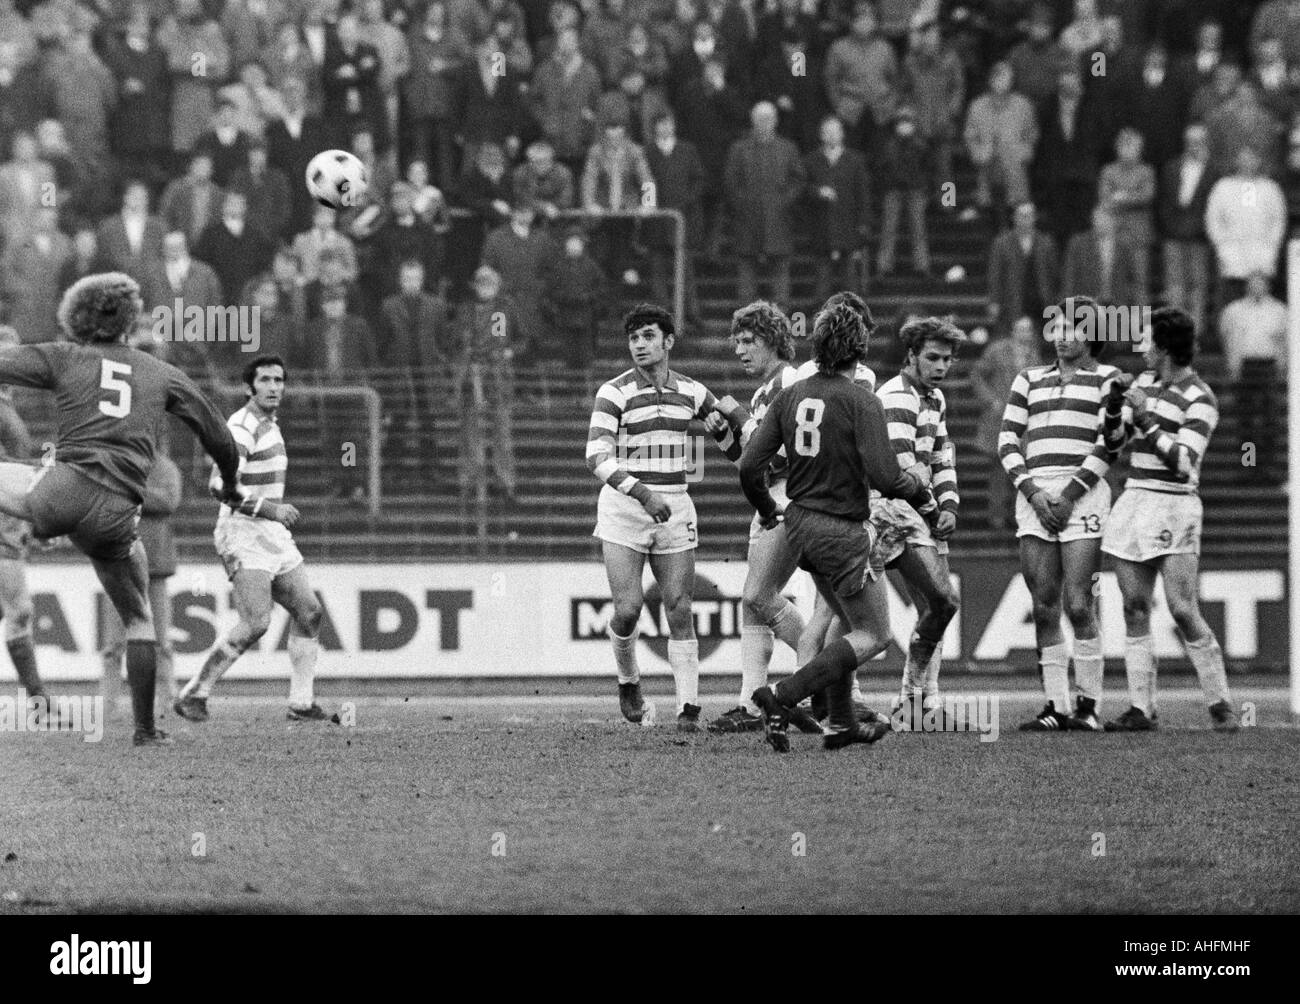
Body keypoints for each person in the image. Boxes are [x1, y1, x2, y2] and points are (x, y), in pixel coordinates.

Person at [0, 273, 241, 746]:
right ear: (131, 320)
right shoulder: (160, 372)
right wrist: (230, 483)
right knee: (138, 619)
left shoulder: (63, 355)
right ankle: (145, 731)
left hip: (59, 493)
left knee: (21, 482)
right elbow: (219, 436)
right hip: (115, 511)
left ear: (76, 316)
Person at [739, 301, 929, 752]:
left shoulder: (791, 394)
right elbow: (886, 477)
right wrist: (920, 486)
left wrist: (768, 509)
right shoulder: (863, 400)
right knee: (875, 634)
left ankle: (841, 723)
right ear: (859, 350)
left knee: (843, 622)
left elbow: (749, 468)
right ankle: (782, 696)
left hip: (798, 524)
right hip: (842, 529)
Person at [586, 302, 750, 731]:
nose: (639, 345)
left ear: (668, 342)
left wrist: (742, 433)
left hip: (675, 504)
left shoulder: (693, 392)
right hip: (625, 506)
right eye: (633, 338)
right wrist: (641, 492)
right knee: (628, 609)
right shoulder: (614, 392)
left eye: (648, 337)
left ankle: (688, 709)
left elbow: (730, 443)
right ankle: (629, 682)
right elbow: (595, 456)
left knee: (679, 605)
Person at [1100, 307, 1239, 732]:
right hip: (1135, 497)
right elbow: (1114, 443)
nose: (1140, 347)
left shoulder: (1201, 398)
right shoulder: (1143, 383)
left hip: (1175, 502)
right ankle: (1142, 708)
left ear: (1163, 348)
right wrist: (1112, 408)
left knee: (1181, 608)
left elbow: (1183, 462)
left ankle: (1220, 702)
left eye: (1147, 341)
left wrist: (1143, 416)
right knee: (1134, 606)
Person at [174, 355, 328, 723]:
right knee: (257, 621)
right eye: (265, 380)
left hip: (269, 532)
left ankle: (301, 703)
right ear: (249, 388)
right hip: (242, 530)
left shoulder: (270, 424)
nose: (274, 386)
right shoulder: (242, 427)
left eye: (279, 380)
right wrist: (271, 509)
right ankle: (195, 691)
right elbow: (218, 486)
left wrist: (271, 516)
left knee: (309, 612)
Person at [1000, 296, 1121, 732]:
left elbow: (1109, 444)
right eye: (1058, 327)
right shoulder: (1027, 378)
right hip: (1034, 494)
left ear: (1092, 334)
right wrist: (1032, 492)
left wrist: (1069, 494)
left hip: (1082, 494)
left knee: (1078, 602)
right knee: (1044, 605)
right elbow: (1008, 440)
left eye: (1073, 328)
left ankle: (1088, 706)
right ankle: (1055, 705)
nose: (1062, 336)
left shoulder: (1107, 379)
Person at [703, 302, 816, 735]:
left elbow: (788, 450)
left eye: (747, 341)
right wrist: (725, 439)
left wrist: (738, 418)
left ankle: (826, 677)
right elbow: (753, 461)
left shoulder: (793, 379)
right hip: (767, 496)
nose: (739, 350)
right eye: (736, 342)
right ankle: (752, 702)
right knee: (755, 605)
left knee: (759, 596)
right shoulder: (761, 392)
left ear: (772, 339)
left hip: (790, 496)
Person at [872, 317, 964, 730]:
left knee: (936, 606)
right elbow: (901, 468)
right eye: (932, 357)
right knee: (940, 602)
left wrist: (950, 505)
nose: (941, 366)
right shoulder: (896, 396)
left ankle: (924, 704)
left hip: (917, 511)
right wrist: (932, 510)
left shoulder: (935, 398)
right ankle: (911, 702)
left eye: (947, 359)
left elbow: (941, 456)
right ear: (911, 356)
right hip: (890, 512)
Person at [101, 340, 182, 719]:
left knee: (161, 640)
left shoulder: (164, 466)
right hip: (118, 559)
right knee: (113, 643)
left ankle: (169, 699)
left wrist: (132, 492)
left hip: (156, 563)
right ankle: (108, 703)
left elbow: (168, 501)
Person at [0, 325, 48, 714]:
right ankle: (38, 700)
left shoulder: (7, 402)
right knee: (19, 610)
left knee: (12, 609)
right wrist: (39, 470)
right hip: (1, 524)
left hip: (11, 521)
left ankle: (38, 700)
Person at [971, 315, 1039, 530]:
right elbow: (977, 374)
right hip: (1000, 417)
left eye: (1028, 329)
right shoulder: (997, 350)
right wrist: (990, 399)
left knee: (1022, 467)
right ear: (1012, 331)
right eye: (1020, 329)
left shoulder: (1034, 356)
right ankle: (997, 516)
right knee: (999, 467)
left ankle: (1016, 514)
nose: (1024, 334)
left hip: (1024, 420)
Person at [1217, 272, 1286, 484]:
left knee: (1269, 420)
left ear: (1267, 286)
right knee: (1246, 419)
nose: (1257, 288)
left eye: (1261, 284)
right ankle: (1249, 466)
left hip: (1268, 366)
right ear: (1247, 286)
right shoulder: (1234, 310)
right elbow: (1226, 337)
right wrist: (1233, 365)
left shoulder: (1279, 310)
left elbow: (1286, 341)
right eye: (1253, 284)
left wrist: (1284, 367)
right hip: (1246, 366)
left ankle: (1268, 467)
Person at [803, 116, 870, 304]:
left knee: (850, 279)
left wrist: (863, 224)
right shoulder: (811, 161)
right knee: (822, 281)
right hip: (821, 227)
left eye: (836, 131)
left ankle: (854, 317)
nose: (832, 136)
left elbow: (863, 195)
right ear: (821, 136)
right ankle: (821, 318)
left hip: (847, 226)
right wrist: (817, 192)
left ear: (842, 134)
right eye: (827, 132)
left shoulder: (856, 160)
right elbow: (802, 189)